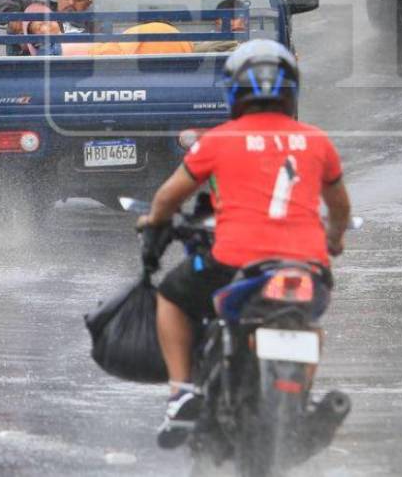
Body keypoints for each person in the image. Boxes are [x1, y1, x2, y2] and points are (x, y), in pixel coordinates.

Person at [136, 40, 352, 446]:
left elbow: (167, 198)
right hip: (308, 269)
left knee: (171, 296)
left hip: (235, 262)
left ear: (234, 90)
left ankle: (181, 393)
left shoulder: (218, 140)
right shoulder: (316, 140)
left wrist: (154, 223)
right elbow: (339, 207)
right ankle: (299, 401)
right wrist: (334, 240)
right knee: (309, 326)